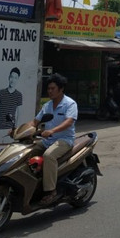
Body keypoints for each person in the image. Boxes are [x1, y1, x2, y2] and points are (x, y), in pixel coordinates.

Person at [26, 73, 77, 205]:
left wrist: (52, 131)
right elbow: (34, 122)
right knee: (26, 152)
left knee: (49, 156)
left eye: (52, 88)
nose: (49, 91)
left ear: (61, 89)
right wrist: (21, 130)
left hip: (64, 140)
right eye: (48, 89)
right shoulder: (47, 105)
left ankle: (51, 191)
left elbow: (69, 122)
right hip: (48, 140)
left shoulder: (70, 104)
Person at [0, 67, 23, 140]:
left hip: (10, 131)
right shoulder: (1, 93)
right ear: (9, 77)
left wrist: (16, 131)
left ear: (18, 79)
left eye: (15, 78)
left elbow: (19, 115)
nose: (13, 80)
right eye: (12, 77)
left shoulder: (18, 95)